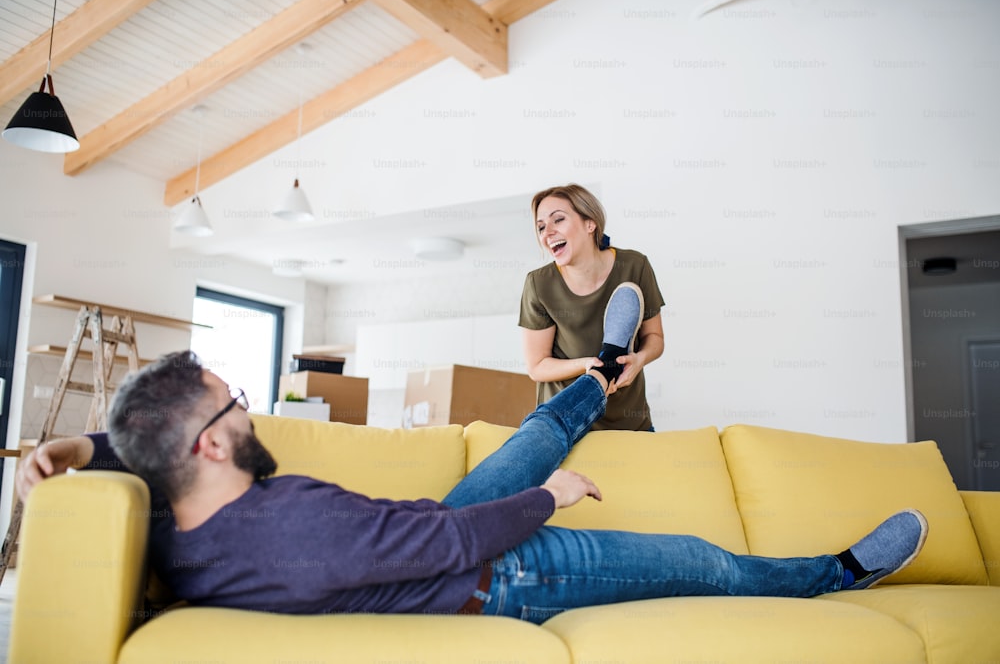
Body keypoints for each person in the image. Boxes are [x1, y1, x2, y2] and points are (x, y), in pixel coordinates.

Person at [16, 285, 928, 623]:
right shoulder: (290, 526)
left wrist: (69, 444)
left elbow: (139, 446)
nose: (252, 414)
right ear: (211, 441)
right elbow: (453, 549)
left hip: (430, 535)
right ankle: (835, 573)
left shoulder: (181, 504)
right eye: (238, 403)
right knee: (700, 560)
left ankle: (603, 370)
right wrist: (552, 500)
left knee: (533, 430)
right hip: (496, 574)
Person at [521, 183, 665, 431]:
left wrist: (639, 359)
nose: (547, 233)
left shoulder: (634, 266)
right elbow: (537, 366)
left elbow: (655, 337)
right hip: (568, 424)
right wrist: (588, 366)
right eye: (541, 227)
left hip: (629, 423)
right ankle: (602, 368)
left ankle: (609, 361)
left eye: (558, 220)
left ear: (590, 224)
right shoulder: (539, 284)